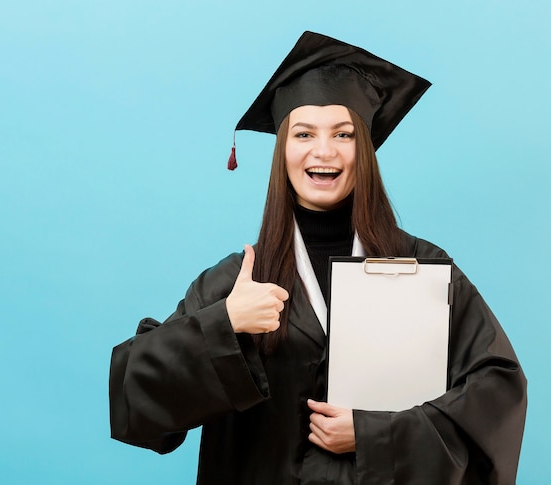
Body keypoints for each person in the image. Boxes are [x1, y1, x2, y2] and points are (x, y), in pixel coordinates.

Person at [109, 31, 527, 484]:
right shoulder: (239, 281)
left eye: (343, 134)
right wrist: (223, 324)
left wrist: (374, 435)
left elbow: (498, 393)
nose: (323, 151)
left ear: (363, 150)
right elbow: (135, 402)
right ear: (283, 150)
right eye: (304, 133)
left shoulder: (421, 269)